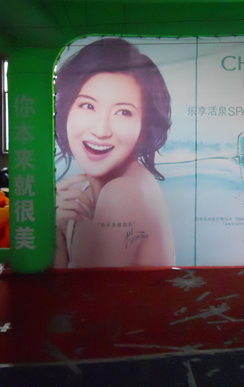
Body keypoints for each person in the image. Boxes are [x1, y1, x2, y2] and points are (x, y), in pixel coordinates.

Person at [54, 38, 175, 268]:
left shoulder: (122, 193)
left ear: (144, 127)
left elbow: (88, 292)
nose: (101, 131)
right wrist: (57, 231)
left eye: (123, 112)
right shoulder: (85, 193)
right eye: (88, 106)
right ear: (66, 110)